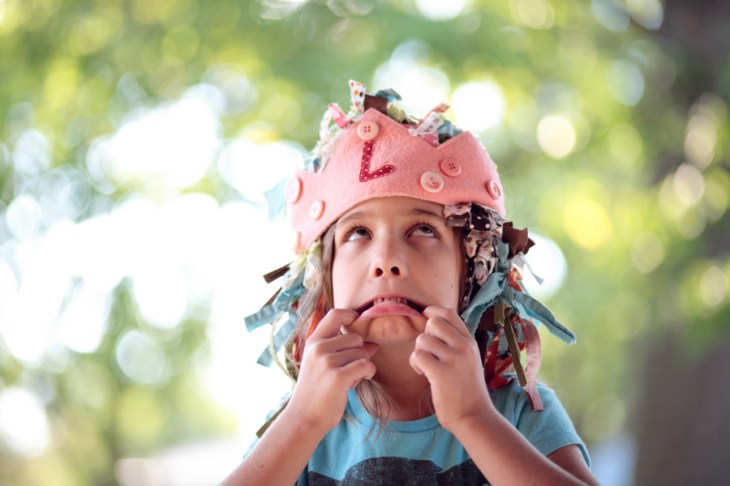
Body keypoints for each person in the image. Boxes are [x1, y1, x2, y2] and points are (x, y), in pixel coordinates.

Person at [224, 80, 598, 485]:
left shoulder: (519, 412)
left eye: (422, 229)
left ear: (472, 271)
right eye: (358, 233)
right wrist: (304, 421)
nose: (386, 260)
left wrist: (472, 416)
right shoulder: (299, 421)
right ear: (326, 276)